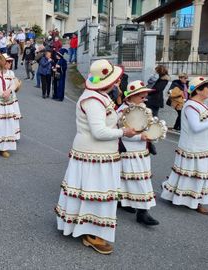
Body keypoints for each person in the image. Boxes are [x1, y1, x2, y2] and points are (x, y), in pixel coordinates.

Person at [55, 59, 136, 255]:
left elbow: (108, 119)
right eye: (116, 80)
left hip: (100, 153)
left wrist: (122, 113)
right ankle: (89, 230)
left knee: (91, 191)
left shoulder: (100, 96)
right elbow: (99, 131)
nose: (118, 83)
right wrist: (124, 132)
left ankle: (84, 226)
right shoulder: (92, 100)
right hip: (93, 153)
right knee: (94, 191)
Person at [161, 77, 208, 215]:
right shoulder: (191, 106)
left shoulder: (202, 105)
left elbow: (204, 127)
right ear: (199, 90)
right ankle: (195, 202)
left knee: (193, 175)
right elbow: (196, 127)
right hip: (194, 148)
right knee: (195, 175)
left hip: (203, 147)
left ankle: (183, 197)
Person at [117, 80, 159, 226]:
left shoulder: (143, 108)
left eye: (145, 93)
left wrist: (154, 134)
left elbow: (148, 126)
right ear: (132, 96)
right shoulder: (122, 111)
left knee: (135, 178)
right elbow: (120, 133)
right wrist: (138, 137)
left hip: (142, 151)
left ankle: (125, 202)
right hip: (129, 151)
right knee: (135, 180)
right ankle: (143, 211)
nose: (145, 96)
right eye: (141, 94)